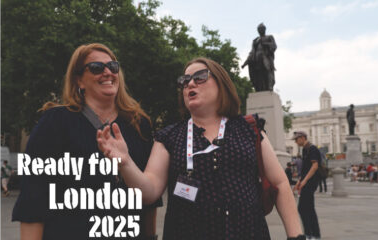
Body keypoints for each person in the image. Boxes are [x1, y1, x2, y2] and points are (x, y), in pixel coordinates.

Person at [97, 57, 305, 240]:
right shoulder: (169, 136)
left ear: (221, 83)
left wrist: (296, 236)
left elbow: (280, 183)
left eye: (200, 77)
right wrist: (125, 163)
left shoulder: (248, 128)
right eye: (185, 81)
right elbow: (149, 191)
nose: (190, 83)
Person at [12, 43, 161, 240]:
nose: (108, 72)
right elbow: (34, 198)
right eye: (97, 68)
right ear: (79, 80)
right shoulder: (55, 122)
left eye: (113, 67)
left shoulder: (138, 124)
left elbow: (149, 200)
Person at [292, 131, 321, 240]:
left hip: (310, 182)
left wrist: (304, 181)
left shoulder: (312, 148)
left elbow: (314, 166)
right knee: (308, 208)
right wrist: (299, 181)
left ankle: (310, 234)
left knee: (303, 208)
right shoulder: (305, 149)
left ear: (303, 137)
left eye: (296, 139)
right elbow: (305, 168)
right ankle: (313, 234)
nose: (295, 141)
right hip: (307, 182)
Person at [241, 23, 277, 91]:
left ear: (264, 29)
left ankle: (270, 86)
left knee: (267, 70)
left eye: (261, 29)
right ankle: (259, 88)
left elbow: (274, 46)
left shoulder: (269, 37)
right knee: (258, 74)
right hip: (256, 59)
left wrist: (264, 43)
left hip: (265, 57)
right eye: (259, 29)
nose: (260, 30)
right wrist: (245, 63)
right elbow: (252, 52)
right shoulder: (255, 40)